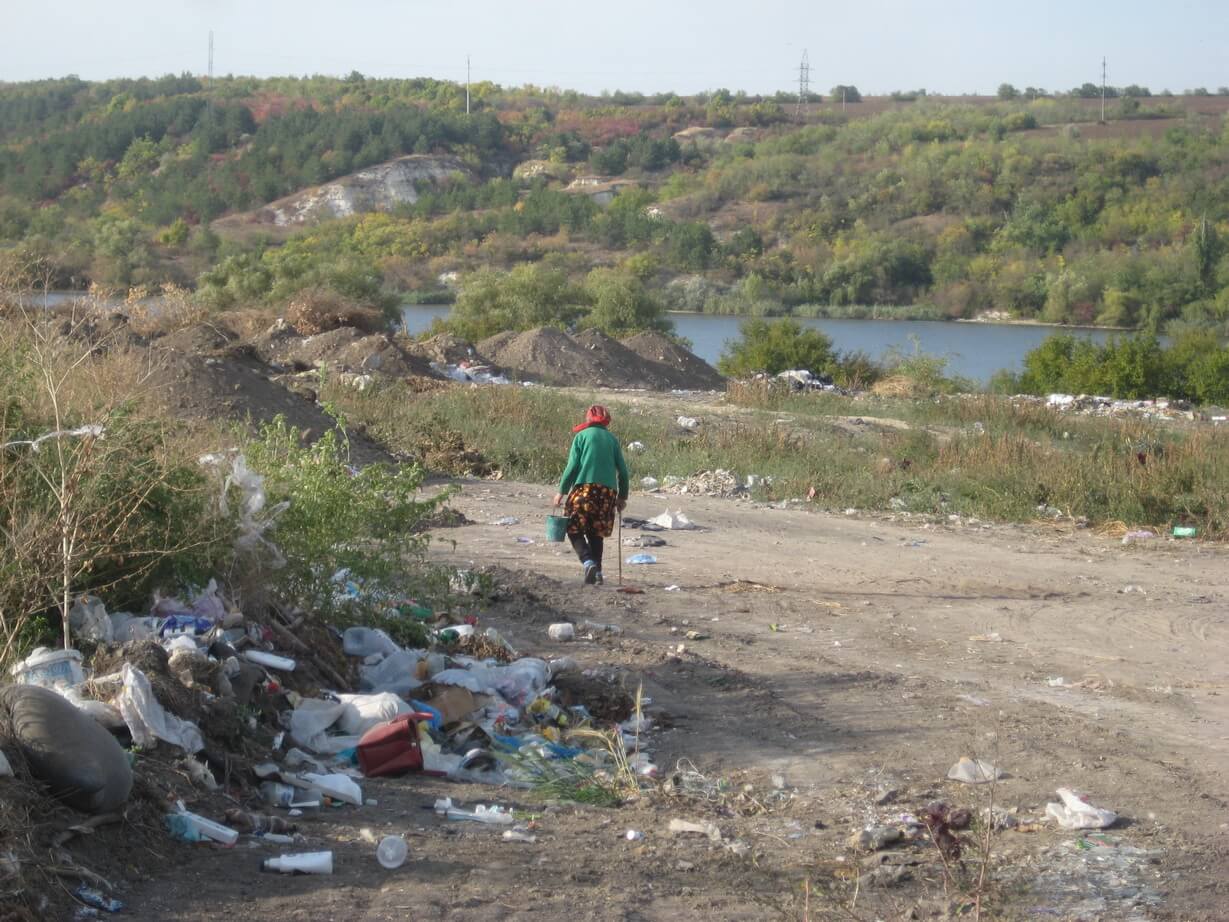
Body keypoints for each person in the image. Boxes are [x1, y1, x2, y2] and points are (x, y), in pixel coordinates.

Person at [553, 404, 630, 585]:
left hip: (585, 489)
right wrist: (622, 497)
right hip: (607, 493)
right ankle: (598, 573)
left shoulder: (581, 436)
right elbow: (623, 472)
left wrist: (561, 492)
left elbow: (572, 467)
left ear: (588, 418)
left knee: (572, 526)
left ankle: (588, 562)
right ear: (606, 421)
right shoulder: (612, 440)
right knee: (596, 532)